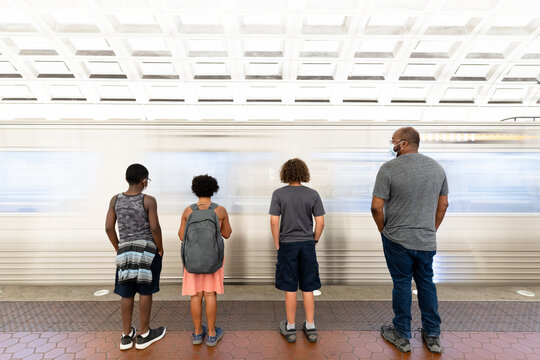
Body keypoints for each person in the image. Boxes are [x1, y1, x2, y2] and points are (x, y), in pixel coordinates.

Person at [371, 127, 449, 354]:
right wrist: (430, 229)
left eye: (393, 141)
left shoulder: (389, 168)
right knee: (426, 283)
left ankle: (402, 335)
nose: (392, 144)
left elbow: (376, 206)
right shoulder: (437, 168)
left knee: (402, 284)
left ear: (404, 143)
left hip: (397, 239)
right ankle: (432, 336)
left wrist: (382, 230)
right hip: (425, 240)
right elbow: (443, 205)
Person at [105, 163, 166, 350]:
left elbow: (108, 227)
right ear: (144, 180)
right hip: (147, 250)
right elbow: (154, 227)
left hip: (125, 250)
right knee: (145, 291)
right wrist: (160, 248)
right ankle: (145, 334)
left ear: (126, 179)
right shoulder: (148, 200)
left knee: (126, 292)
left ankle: (125, 336)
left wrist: (119, 248)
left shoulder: (115, 200)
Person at [269, 158, 325, 343]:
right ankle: (310, 326)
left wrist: (277, 243)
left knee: (290, 286)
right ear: (304, 173)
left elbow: (274, 221)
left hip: (287, 245)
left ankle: (291, 327)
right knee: (308, 287)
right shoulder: (313, 194)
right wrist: (314, 239)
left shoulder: (278, 194)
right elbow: (320, 222)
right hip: (307, 244)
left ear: (285, 173)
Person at [178, 175, 232, 347]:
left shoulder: (188, 211)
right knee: (210, 295)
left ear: (195, 190)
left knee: (196, 295)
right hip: (212, 261)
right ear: (213, 190)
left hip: (192, 261)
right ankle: (211, 334)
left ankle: (196, 333)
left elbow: (181, 236)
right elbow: (227, 234)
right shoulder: (220, 210)